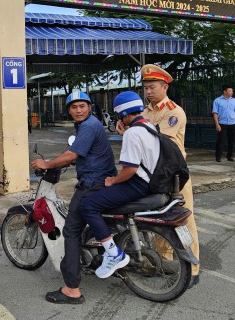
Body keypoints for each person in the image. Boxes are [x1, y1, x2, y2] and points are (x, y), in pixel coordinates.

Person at [117, 64, 200, 287]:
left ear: (164, 86)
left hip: (175, 175)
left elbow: (158, 140)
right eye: (145, 88)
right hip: (153, 174)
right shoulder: (145, 111)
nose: (149, 91)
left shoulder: (173, 111)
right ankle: (164, 262)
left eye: (153, 87)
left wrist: (132, 131)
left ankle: (192, 270)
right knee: (157, 220)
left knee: (184, 221)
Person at [31, 90, 116, 304]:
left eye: (82, 106)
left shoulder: (88, 126)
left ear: (89, 107)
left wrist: (47, 164)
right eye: (74, 107)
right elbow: (74, 149)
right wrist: (62, 159)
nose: (78, 110)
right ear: (69, 110)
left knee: (71, 230)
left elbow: (72, 154)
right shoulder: (89, 125)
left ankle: (71, 289)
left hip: (92, 184)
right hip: (104, 181)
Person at [80, 91, 158, 278]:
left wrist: (112, 180)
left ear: (122, 113)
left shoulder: (133, 133)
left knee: (88, 205)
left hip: (137, 184)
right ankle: (111, 236)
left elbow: (130, 169)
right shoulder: (148, 126)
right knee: (104, 199)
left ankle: (114, 253)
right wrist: (125, 135)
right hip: (152, 182)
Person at [212, 84, 235, 162]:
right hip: (222, 123)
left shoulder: (234, 100)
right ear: (224, 91)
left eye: (232, 91)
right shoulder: (217, 100)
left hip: (232, 123)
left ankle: (230, 156)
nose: (231, 92)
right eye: (230, 90)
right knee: (220, 141)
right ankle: (218, 157)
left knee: (232, 140)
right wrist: (217, 124)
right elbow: (215, 113)